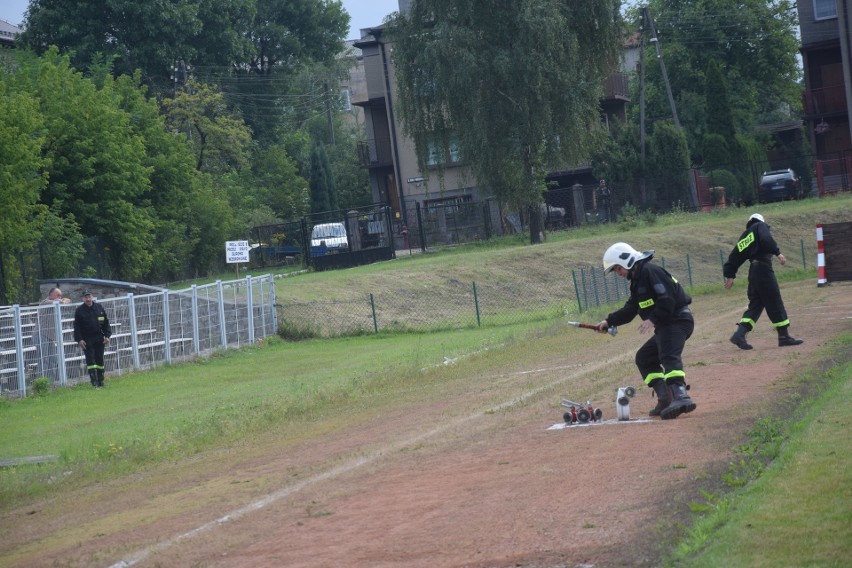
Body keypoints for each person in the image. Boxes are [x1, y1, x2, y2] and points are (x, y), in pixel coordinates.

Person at [595, 242, 697, 420]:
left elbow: (667, 299)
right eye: (615, 271)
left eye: (617, 268)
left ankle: (681, 397)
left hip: (677, 320)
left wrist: (652, 319)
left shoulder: (650, 271)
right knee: (644, 358)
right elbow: (631, 309)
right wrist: (609, 321)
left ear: (626, 261)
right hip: (666, 324)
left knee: (668, 355)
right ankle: (665, 398)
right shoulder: (637, 280)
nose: (618, 273)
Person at [724, 213, 803, 349]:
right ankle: (784, 336)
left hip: (753, 273)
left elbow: (735, 255)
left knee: (756, 304)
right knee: (774, 300)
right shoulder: (760, 226)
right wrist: (778, 253)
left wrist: (730, 275)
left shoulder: (745, 236)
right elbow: (766, 239)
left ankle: (740, 334)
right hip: (763, 269)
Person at [73, 289, 112, 388]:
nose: (88, 299)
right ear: (82, 298)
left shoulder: (99, 308)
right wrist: (79, 339)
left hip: (99, 338)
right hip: (87, 339)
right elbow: (76, 327)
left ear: (92, 297)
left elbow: (105, 323)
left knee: (99, 360)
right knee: (90, 361)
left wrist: (107, 336)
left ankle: (101, 381)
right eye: (86, 297)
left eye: (89, 296)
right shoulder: (79, 311)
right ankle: (94, 382)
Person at [36, 288, 71, 380]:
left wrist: (63, 300)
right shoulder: (45, 302)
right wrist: (62, 301)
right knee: (44, 360)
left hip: (50, 336)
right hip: (41, 334)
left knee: (53, 359)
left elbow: (68, 300)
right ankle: (42, 381)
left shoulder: (57, 302)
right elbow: (59, 302)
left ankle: (50, 381)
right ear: (51, 294)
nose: (60, 297)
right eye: (58, 295)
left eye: (60, 295)